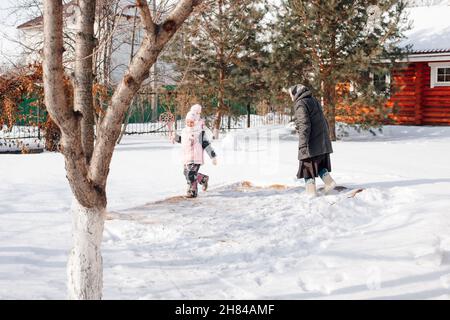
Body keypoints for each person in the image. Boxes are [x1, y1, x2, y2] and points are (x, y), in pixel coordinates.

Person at [289, 84, 336, 197]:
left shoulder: (300, 103)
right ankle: (329, 183)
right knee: (318, 163)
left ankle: (311, 192)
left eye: (291, 95)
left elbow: (304, 124)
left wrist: (303, 144)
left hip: (311, 140)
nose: (291, 98)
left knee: (307, 165)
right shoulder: (313, 100)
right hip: (321, 139)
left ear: (295, 93)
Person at [173, 111, 217, 198]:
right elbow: (182, 141)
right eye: (188, 122)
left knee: (191, 174)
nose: (189, 124)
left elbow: (206, 145)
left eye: (192, 122)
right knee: (186, 173)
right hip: (186, 157)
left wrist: (213, 156)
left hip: (196, 158)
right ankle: (203, 179)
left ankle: (192, 192)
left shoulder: (200, 133)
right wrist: (175, 137)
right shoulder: (185, 131)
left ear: (196, 122)